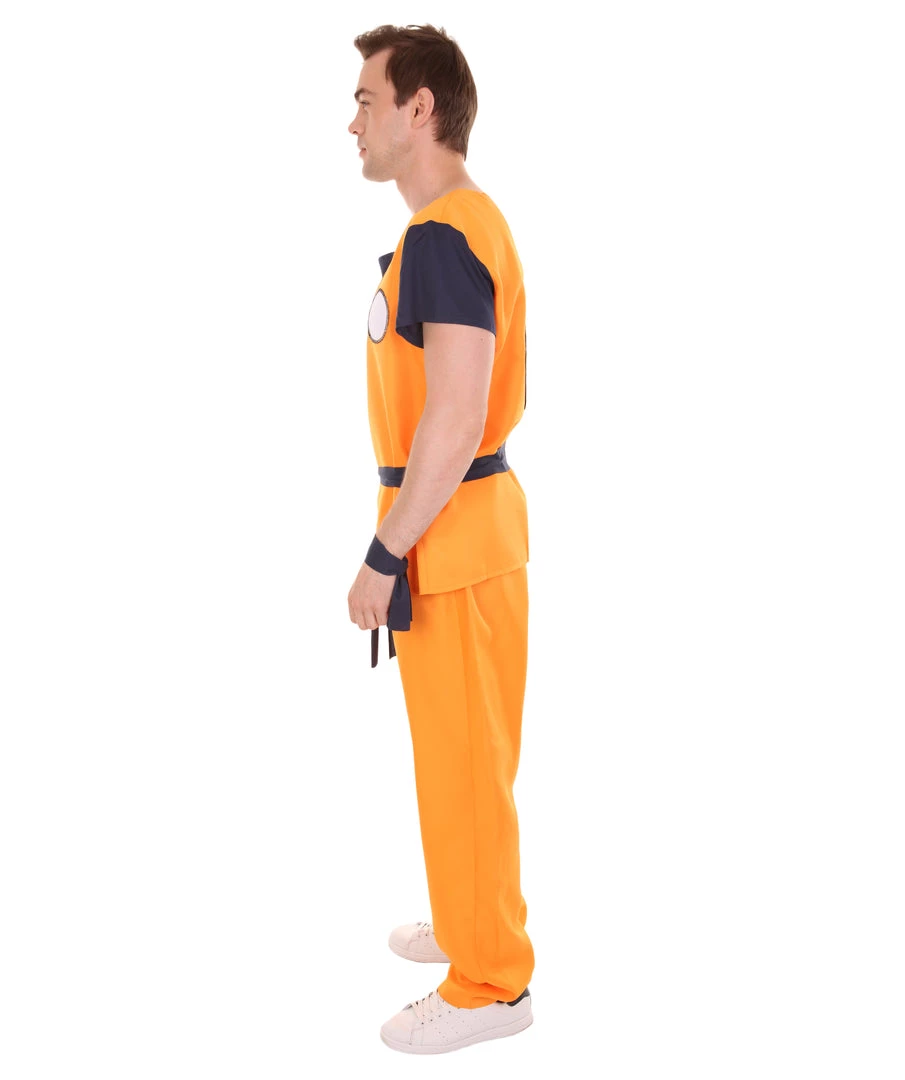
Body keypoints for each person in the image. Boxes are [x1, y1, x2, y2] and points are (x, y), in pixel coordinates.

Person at [346, 24, 534, 1055]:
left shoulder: (445, 236)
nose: (353, 123)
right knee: (462, 758)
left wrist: (383, 554)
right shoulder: (457, 228)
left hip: (451, 540)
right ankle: (470, 922)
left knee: (465, 763)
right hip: (463, 536)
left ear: (420, 109)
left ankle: (491, 983)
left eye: (366, 100)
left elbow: (455, 418)